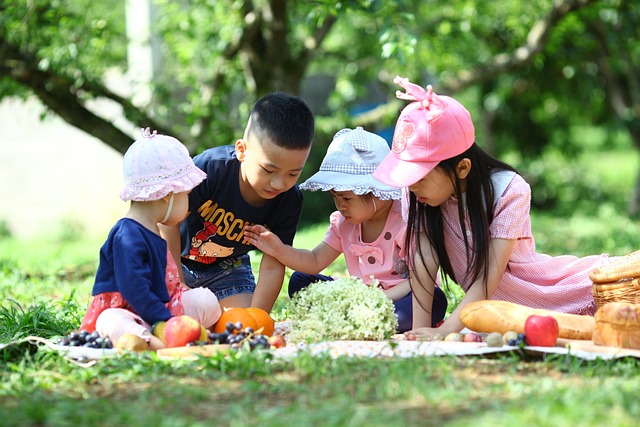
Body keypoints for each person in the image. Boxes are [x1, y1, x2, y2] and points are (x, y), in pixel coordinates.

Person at [372, 76, 609, 340]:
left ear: (462, 168)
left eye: (420, 176)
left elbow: (488, 277)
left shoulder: (509, 190)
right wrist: (419, 332)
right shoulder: (417, 192)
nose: (412, 185)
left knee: (615, 311)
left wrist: (447, 330)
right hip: (494, 312)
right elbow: (424, 261)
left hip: (545, 292)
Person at [244, 127, 448, 332]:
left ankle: (352, 319)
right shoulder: (344, 223)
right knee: (300, 281)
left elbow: (419, 278)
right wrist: (279, 250)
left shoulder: (404, 219)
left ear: (375, 192)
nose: (340, 206)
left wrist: (379, 298)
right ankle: (359, 320)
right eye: (335, 197)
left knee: (433, 301)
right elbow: (314, 261)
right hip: (359, 298)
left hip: (400, 297)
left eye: (346, 198)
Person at [160, 93, 315, 313]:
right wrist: (176, 281)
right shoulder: (209, 170)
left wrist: (257, 318)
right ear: (242, 150)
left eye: (293, 173)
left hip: (228, 271)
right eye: (268, 170)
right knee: (164, 313)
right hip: (177, 261)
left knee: (236, 324)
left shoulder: (289, 200)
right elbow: (167, 223)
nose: (279, 183)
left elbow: (273, 264)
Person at [80, 128, 222, 350]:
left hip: (161, 310)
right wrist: (163, 322)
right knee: (110, 321)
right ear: (167, 195)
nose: (190, 204)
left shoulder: (153, 229)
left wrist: (169, 316)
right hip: (131, 313)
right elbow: (134, 288)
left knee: (205, 300)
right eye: (186, 194)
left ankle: (169, 337)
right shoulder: (127, 235)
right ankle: (149, 341)